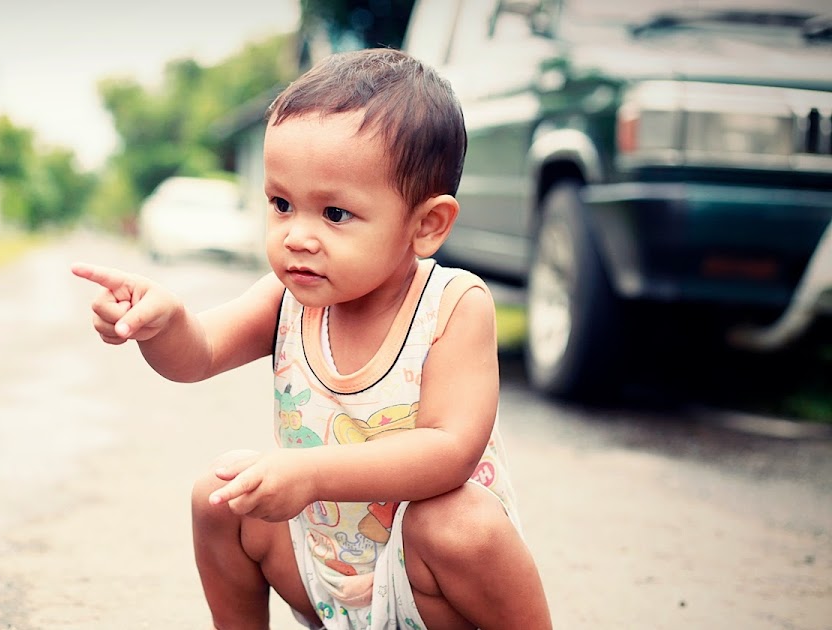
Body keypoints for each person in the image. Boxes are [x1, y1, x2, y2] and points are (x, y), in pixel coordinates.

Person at [72, 48, 551, 630]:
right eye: (281, 204)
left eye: (335, 214)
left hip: (423, 584)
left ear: (426, 225)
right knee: (218, 497)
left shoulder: (453, 306)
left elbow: (450, 451)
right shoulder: (286, 301)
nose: (297, 236)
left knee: (458, 522)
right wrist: (164, 323)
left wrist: (311, 474)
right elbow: (197, 354)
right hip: (324, 568)